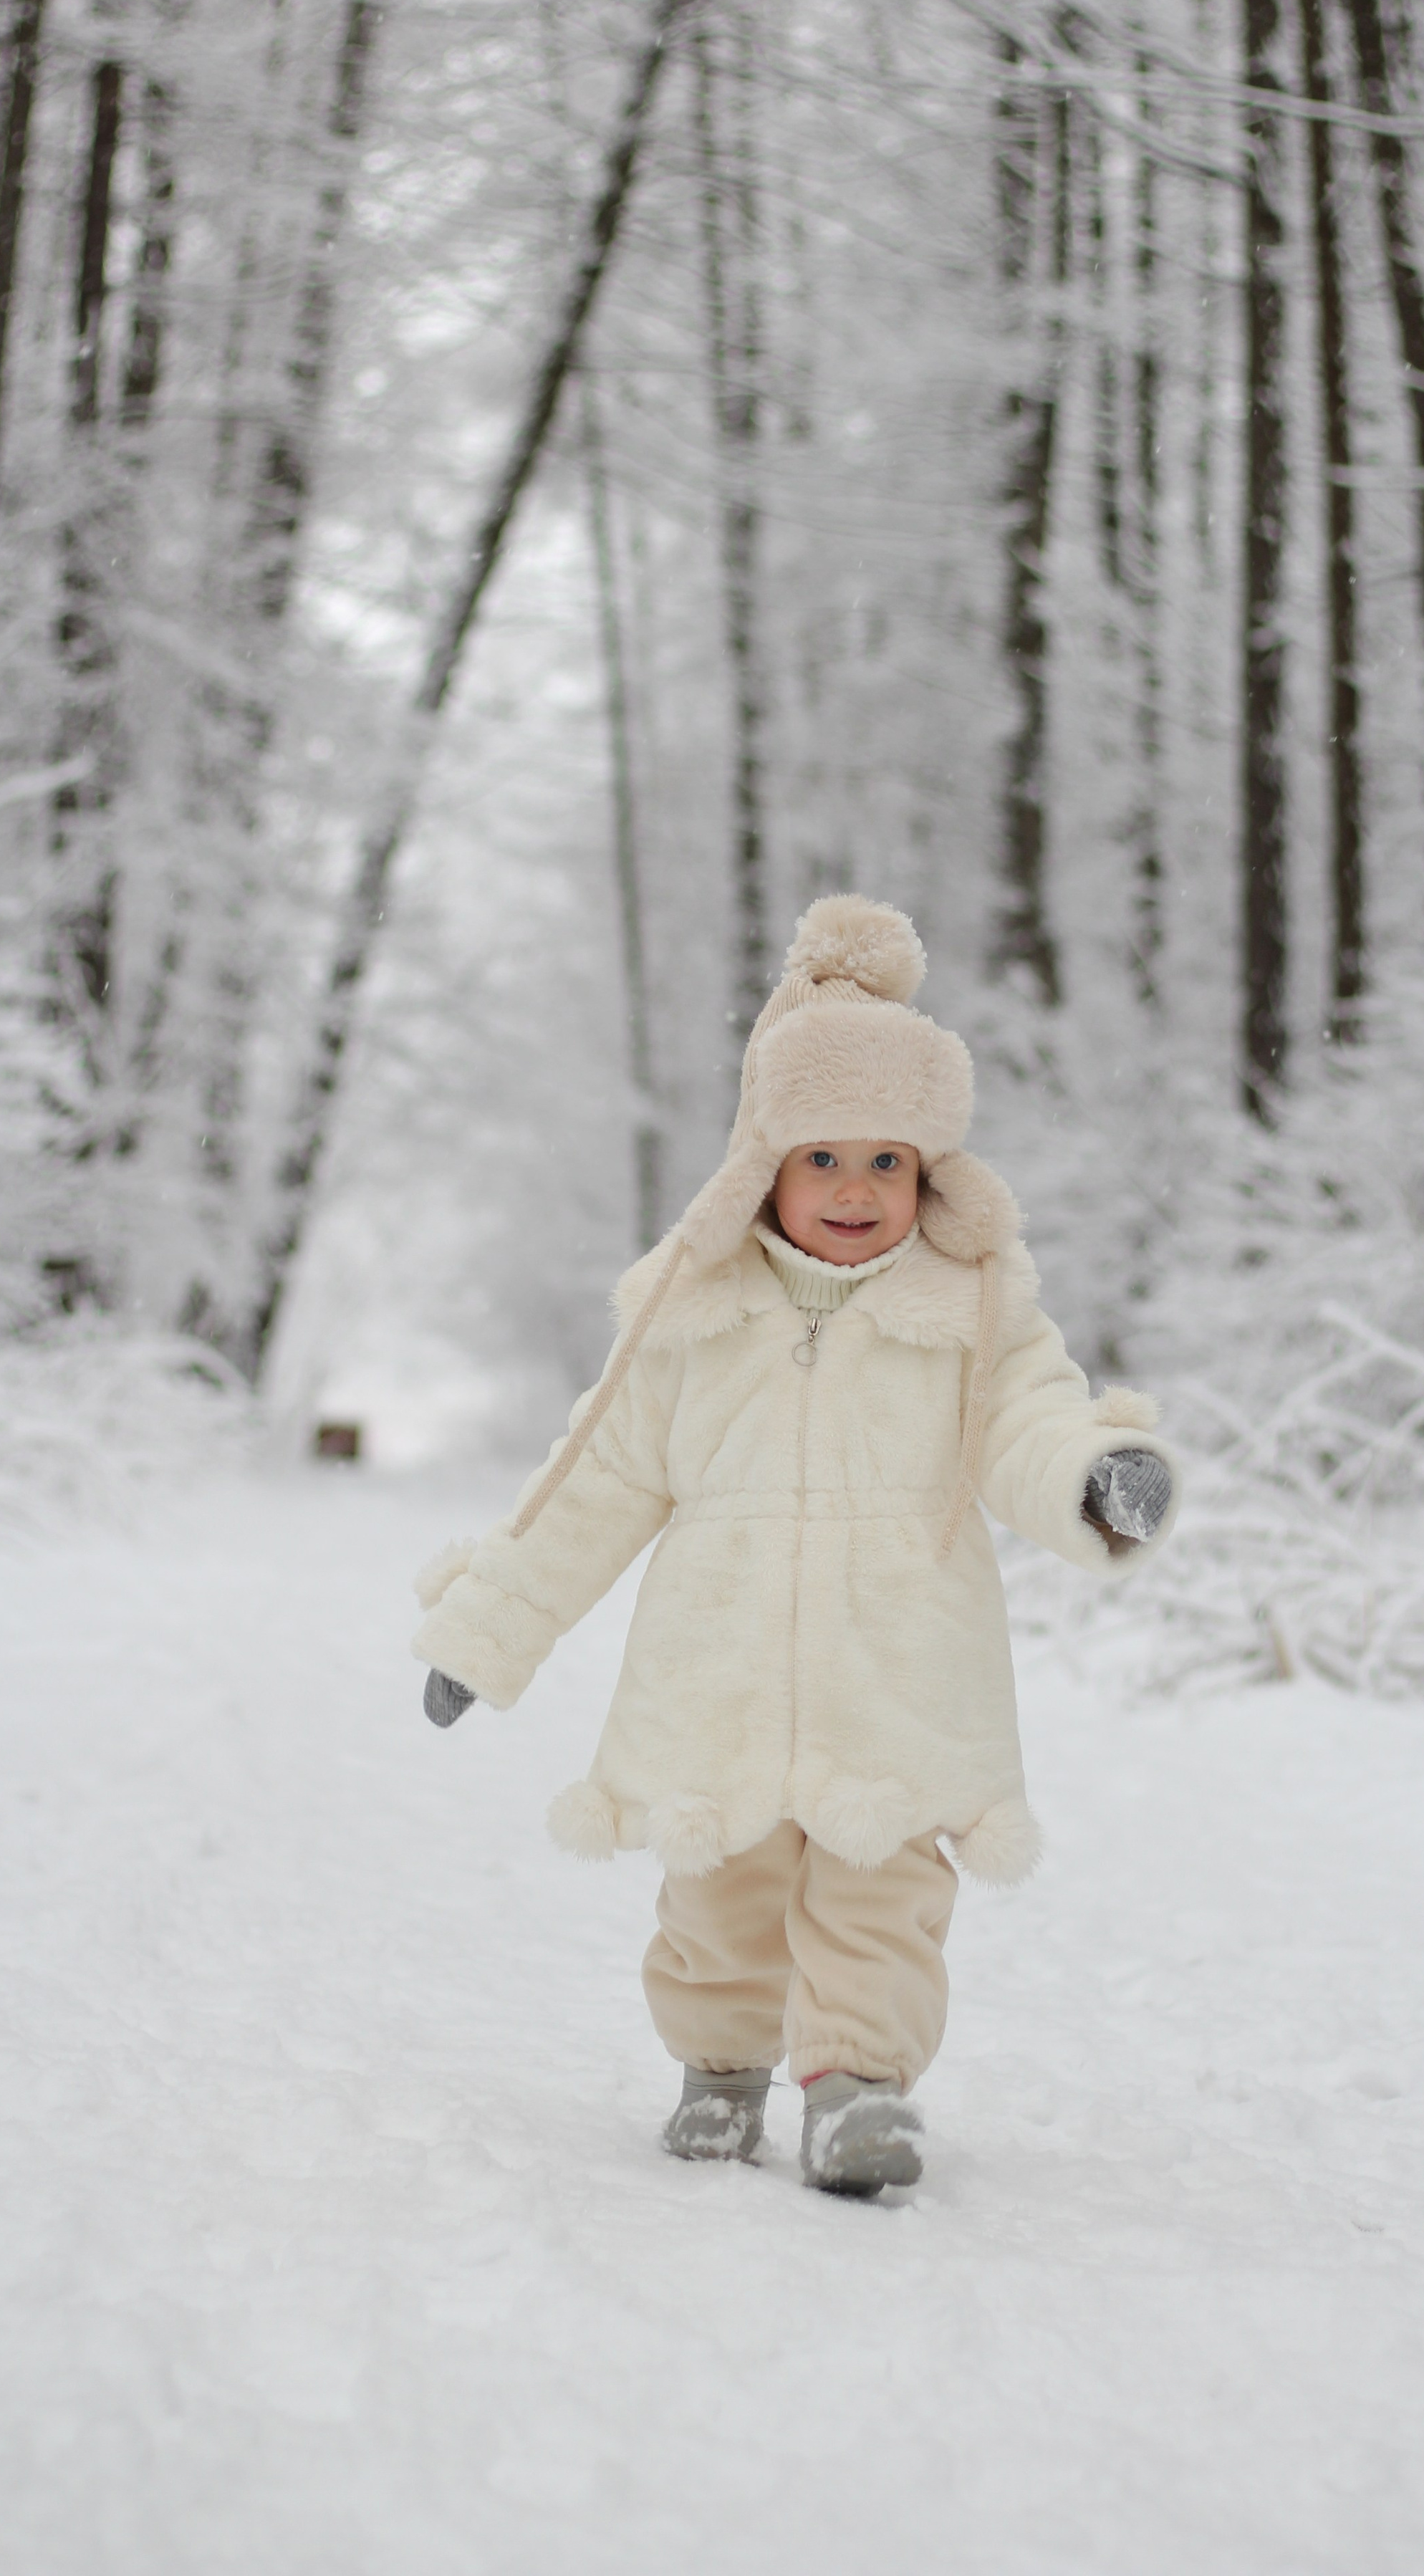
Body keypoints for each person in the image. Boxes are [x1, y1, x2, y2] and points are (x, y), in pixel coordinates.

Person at [412, 895, 1179, 2196]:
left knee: (880, 1909)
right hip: (717, 1683)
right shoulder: (694, 1318)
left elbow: (1029, 1424)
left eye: (890, 1164)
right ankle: (720, 2072)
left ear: (929, 1177)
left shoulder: (969, 1309)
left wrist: (1097, 1478)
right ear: (761, 1163)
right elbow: (592, 1485)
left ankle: (855, 2093)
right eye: (824, 1159)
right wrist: (492, 1627)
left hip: (899, 1683)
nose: (856, 1191)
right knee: (715, 1909)